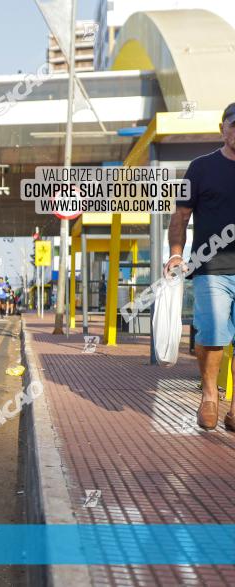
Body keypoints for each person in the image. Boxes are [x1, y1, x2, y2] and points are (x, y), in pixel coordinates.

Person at [166, 102, 235, 431]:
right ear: (223, 129)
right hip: (211, 268)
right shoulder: (199, 167)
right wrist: (176, 253)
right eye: (233, 126)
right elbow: (180, 216)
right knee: (212, 333)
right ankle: (210, 397)